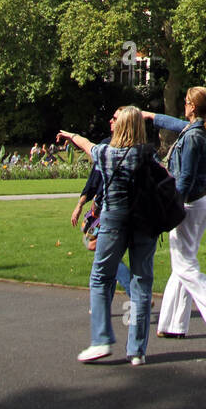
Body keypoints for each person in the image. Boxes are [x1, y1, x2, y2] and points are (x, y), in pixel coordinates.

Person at [58, 107, 158, 365]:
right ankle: (137, 350)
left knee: (101, 277)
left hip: (114, 220)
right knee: (141, 283)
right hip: (144, 223)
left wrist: (71, 135)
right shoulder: (149, 156)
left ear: (120, 127)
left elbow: (86, 144)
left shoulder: (106, 154)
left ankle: (101, 340)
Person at [143, 88, 206, 345]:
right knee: (182, 263)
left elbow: (186, 178)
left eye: (185, 102)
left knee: (185, 265)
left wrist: (171, 209)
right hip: (200, 202)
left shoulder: (194, 137)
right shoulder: (204, 130)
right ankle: (172, 324)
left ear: (193, 106)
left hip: (189, 204)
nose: (183, 106)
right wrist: (150, 116)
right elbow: (177, 124)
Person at [70, 112, 132, 294]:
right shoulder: (129, 147)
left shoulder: (109, 148)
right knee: (106, 253)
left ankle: (127, 291)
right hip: (114, 210)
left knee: (97, 248)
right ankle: (107, 298)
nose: (110, 121)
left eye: (114, 119)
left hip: (110, 210)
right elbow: (94, 179)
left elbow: (95, 178)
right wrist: (80, 204)